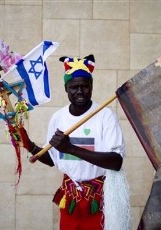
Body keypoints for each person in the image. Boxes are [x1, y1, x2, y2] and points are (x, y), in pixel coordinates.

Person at [21, 54, 128, 230]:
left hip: (99, 200)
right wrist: (30, 146)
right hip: (70, 200)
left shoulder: (105, 116)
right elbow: (55, 159)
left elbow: (116, 162)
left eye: (84, 86)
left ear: (91, 87)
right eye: (74, 87)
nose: (79, 91)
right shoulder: (58, 118)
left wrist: (71, 148)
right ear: (66, 88)